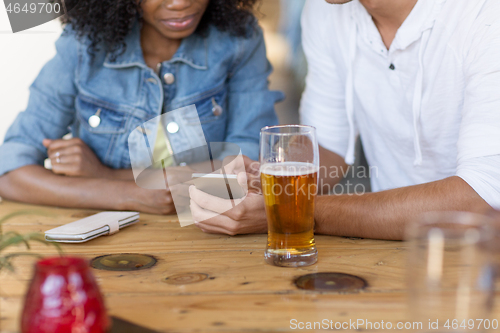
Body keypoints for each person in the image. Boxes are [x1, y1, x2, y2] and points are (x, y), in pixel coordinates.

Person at [189, 0, 500, 240]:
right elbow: (326, 148)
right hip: (385, 249)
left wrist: (293, 210)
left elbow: (482, 198)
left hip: (483, 254)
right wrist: (266, 179)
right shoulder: (324, 12)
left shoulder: (486, 14)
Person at [0, 0, 282, 214]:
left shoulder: (240, 39)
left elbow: (250, 172)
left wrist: (105, 176)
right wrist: (126, 194)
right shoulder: (84, 44)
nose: (181, 3)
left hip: (206, 243)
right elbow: (10, 172)